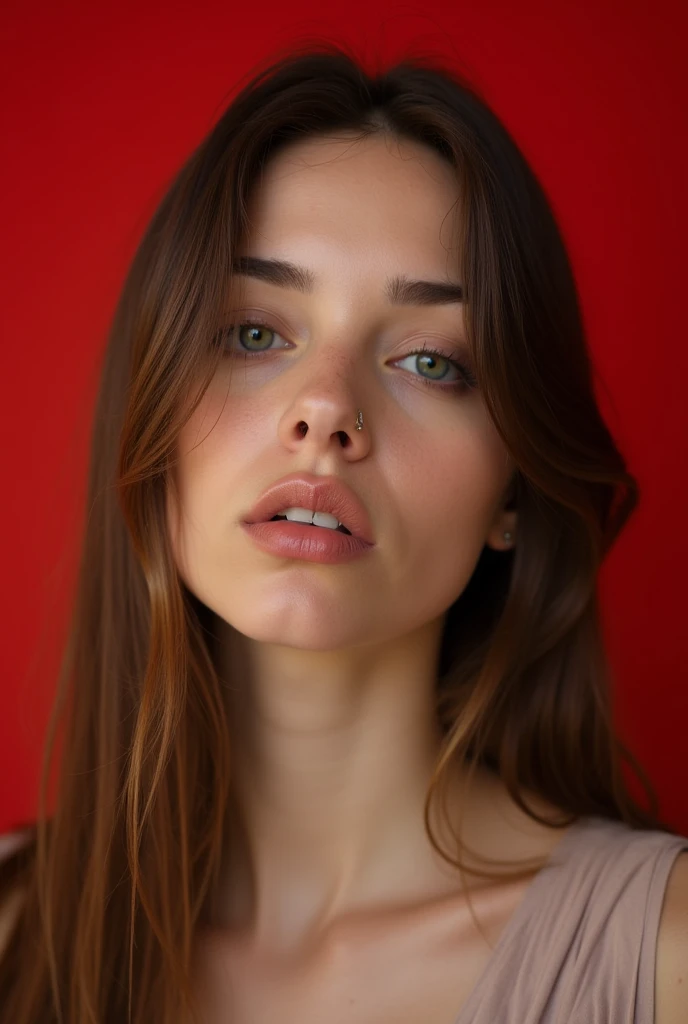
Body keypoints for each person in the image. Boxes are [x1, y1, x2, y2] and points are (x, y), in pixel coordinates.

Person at [0, 41, 686, 1024]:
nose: (325, 410)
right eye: (253, 333)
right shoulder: (13, 930)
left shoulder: (665, 956)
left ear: (513, 492)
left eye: (429, 361)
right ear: (149, 429)